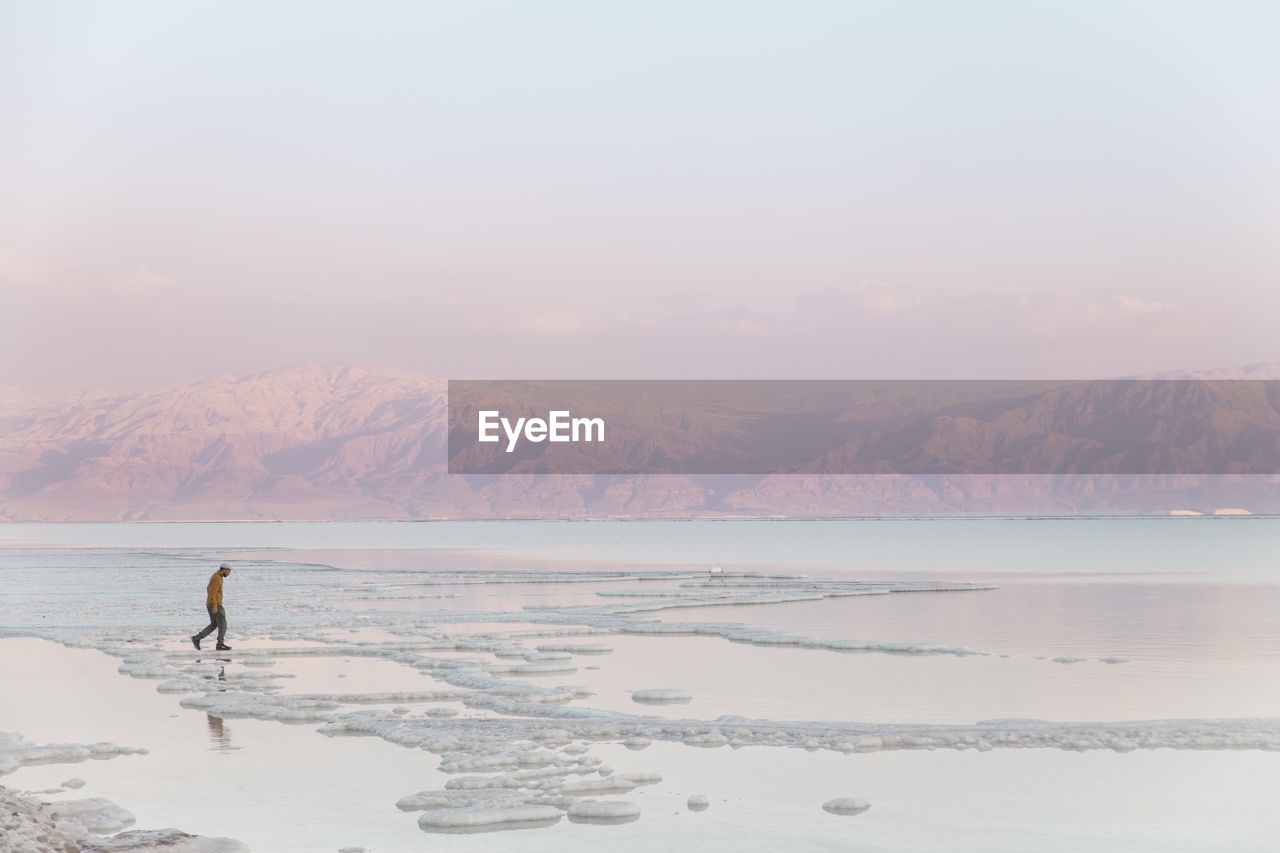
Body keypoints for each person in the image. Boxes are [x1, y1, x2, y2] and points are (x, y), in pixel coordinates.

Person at [191, 563, 232, 651]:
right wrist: (215, 605)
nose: (229, 573)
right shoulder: (217, 578)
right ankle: (220, 644)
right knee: (223, 625)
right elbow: (211, 592)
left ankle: (197, 638)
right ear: (224, 569)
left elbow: (209, 589)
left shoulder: (217, 576)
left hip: (211, 604)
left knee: (214, 624)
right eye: (229, 571)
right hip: (216, 604)